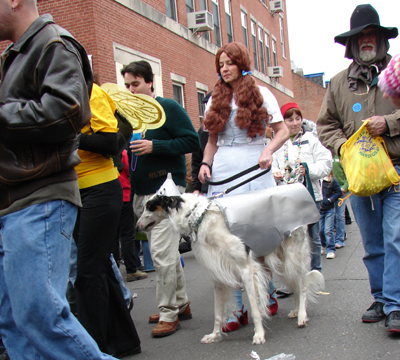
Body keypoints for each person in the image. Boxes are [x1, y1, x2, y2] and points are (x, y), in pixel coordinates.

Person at [0, 3, 118, 359]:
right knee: (15, 323)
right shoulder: (16, 54)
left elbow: (67, 112)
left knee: (39, 315)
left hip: (39, 196)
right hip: (15, 200)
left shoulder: (53, 44)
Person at [317, 4, 400, 333]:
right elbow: (326, 126)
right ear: (352, 44)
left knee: (396, 238)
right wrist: (343, 147)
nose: (366, 40)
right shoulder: (338, 84)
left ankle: (395, 303)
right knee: (373, 241)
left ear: (381, 40)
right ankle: (380, 297)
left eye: (372, 35)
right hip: (358, 177)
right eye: (360, 36)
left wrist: (389, 122)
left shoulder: (397, 74)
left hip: (395, 171)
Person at [198, 42, 289, 332]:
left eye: (229, 63)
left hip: (254, 165)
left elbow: (282, 130)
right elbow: (211, 141)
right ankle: (237, 309)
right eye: (220, 64)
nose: (224, 68)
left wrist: (268, 151)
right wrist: (205, 164)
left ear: (241, 63)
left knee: (257, 235)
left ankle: (266, 291)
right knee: (228, 240)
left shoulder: (262, 93)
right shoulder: (214, 98)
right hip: (224, 168)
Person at [122, 60, 200, 337]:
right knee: (163, 252)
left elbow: (192, 141)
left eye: (136, 84)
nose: (131, 90)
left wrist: (155, 145)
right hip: (142, 192)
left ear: (149, 82)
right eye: (128, 85)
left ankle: (169, 313)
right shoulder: (130, 116)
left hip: (167, 192)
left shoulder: (168, 107)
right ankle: (181, 303)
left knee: (163, 255)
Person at [73, 83, 141, 357]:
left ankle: (91, 349)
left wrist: (67, 134)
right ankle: (123, 342)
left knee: (88, 272)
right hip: (79, 191)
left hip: (100, 190)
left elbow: (109, 143)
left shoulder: (91, 92)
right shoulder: (61, 92)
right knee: (97, 268)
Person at [272, 102, 332, 271]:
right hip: (286, 198)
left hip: (310, 196)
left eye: (298, 118)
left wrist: (308, 170)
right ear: (283, 122)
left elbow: (326, 163)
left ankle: (314, 273)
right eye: (290, 119)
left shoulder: (311, 140)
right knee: (287, 238)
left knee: (313, 236)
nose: (295, 123)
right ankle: (292, 276)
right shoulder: (278, 142)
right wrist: (275, 173)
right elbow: (271, 164)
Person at [114, 148, 148, 282]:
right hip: (124, 194)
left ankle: (114, 269)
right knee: (127, 235)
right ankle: (132, 270)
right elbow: (130, 171)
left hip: (107, 196)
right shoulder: (121, 151)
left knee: (113, 236)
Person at [319, 172, 342, 259]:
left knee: (328, 230)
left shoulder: (331, 180)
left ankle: (331, 249)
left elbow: (338, 192)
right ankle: (323, 244)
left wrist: (330, 200)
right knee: (320, 230)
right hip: (319, 209)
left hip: (329, 209)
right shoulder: (316, 180)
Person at [332, 154, 349, 249]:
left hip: (341, 191)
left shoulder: (341, 156)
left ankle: (340, 239)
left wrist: (344, 187)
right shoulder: (324, 155)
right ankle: (329, 240)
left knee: (340, 215)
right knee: (330, 215)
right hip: (329, 192)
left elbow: (349, 174)